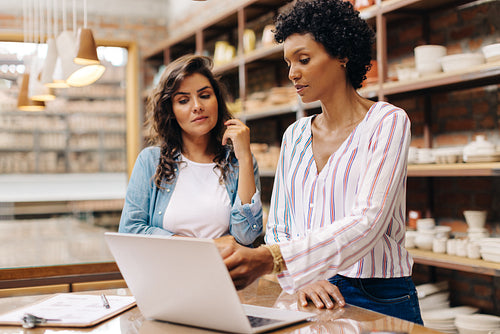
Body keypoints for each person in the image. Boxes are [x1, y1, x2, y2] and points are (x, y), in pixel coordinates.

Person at [215, 0, 423, 324]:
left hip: (380, 297)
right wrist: (302, 277)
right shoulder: (294, 135)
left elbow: (367, 221)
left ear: (342, 55)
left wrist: (274, 259)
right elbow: (281, 225)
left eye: (304, 59)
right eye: (288, 62)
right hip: (310, 293)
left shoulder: (388, 122)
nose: (292, 73)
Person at [119, 55, 263, 246]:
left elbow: (246, 236)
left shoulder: (240, 161)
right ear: (170, 110)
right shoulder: (151, 161)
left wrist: (244, 157)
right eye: (183, 100)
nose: (197, 106)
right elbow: (130, 230)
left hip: (225, 275)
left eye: (204, 96)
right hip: (169, 274)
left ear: (217, 102)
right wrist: (200, 247)